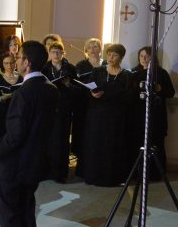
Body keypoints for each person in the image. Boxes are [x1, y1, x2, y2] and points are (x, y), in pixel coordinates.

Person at [0, 40, 58, 227]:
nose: (16, 61)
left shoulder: (23, 94)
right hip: (35, 163)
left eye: (18, 57)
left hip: (14, 167)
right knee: (26, 213)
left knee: (11, 217)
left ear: (27, 63)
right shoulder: (51, 89)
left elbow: (15, 137)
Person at [79, 43, 132, 186]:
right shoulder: (98, 71)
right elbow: (89, 89)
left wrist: (110, 94)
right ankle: (93, 176)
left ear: (121, 57)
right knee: (96, 145)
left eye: (114, 55)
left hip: (116, 117)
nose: (110, 57)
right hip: (97, 116)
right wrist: (93, 93)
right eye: (108, 54)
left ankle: (112, 178)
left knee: (113, 146)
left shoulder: (126, 75)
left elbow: (128, 97)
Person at [129, 46, 175, 180]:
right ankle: (138, 173)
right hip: (138, 115)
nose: (143, 58)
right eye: (141, 56)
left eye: (146, 56)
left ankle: (156, 173)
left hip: (156, 115)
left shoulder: (161, 73)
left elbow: (170, 92)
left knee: (156, 142)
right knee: (137, 141)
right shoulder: (133, 73)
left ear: (152, 57)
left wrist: (160, 88)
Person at [41, 41, 77, 182]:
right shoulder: (44, 68)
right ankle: (46, 171)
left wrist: (69, 85)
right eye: (53, 52)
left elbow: (77, 87)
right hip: (48, 108)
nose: (56, 54)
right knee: (48, 140)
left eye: (59, 52)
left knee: (62, 141)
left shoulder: (70, 69)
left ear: (63, 54)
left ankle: (60, 173)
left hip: (64, 108)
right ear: (49, 53)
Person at [71, 38, 102, 157]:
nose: (93, 50)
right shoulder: (81, 65)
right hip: (84, 102)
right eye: (90, 47)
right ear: (86, 51)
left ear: (100, 49)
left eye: (95, 47)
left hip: (101, 102)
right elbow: (77, 83)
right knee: (83, 131)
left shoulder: (105, 64)